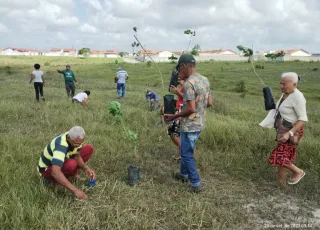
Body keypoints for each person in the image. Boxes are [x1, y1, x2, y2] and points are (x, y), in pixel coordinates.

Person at [165, 53, 212, 193]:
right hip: (200, 123)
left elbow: (190, 108)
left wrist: (174, 116)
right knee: (186, 150)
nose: (179, 72)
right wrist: (199, 111)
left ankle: (195, 183)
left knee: (186, 154)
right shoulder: (204, 80)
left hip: (190, 126)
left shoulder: (189, 83)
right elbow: (209, 102)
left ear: (185, 66)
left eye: (180, 69)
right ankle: (183, 175)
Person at [268, 72, 307, 187]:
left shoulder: (298, 97)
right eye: (280, 83)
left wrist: (289, 133)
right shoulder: (285, 94)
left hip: (292, 132)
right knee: (283, 157)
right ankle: (281, 185)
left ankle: (298, 172)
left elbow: (302, 120)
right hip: (283, 129)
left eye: (284, 84)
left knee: (279, 156)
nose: (281, 86)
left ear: (294, 84)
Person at [37, 126, 96, 200]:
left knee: (88, 148)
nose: (77, 145)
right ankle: (55, 182)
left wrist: (85, 168)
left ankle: (72, 174)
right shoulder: (61, 146)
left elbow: (77, 156)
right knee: (71, 164)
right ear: (68, 137)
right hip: (47, 170)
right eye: (74, 143)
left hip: (64, 160)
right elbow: (55, 172)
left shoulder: (76, 140)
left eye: (79, 143)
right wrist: (75, 190)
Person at [167, 77, 185, 160]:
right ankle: (181, 153)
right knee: (177, 133)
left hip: (182, 111)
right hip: (179, 110)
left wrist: (178, 91)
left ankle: (183, 152)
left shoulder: (188, 85)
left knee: (172, 131)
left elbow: (187, 98)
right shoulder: (184, 85)